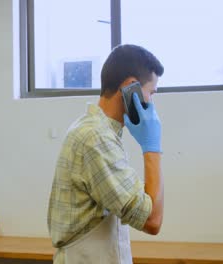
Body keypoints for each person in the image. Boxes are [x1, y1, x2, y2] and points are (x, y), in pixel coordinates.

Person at [47, 44, 164, 264]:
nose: (151, 103)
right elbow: (152, 220)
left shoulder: (99, 132)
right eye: (151, 93)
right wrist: (152, 148)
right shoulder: (96, 138)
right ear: (132, 87)